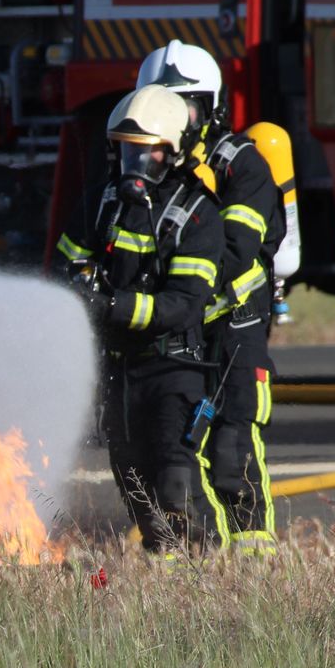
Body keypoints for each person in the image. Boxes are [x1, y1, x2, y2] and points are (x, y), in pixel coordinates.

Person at [55, 84, 229, 558]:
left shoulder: (196, 215)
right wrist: (80, 286)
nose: (135, 164)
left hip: (173, 368)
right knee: (135, 489)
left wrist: (112, 308)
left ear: (171, 152)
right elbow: (68, 262)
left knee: (176, 485)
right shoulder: (102, 203)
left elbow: (185, 304)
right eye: (127, 151)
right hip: (120, 372)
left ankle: (205, 569)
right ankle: (167, 580)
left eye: (146, 152)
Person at [137, 39, 284, 557]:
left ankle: (256, 569)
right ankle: (198, 566)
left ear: (210, 107)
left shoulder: (242, 166)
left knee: (231, 452)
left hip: (235, 329)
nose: (170, 117)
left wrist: (177, 291)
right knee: (174, 452)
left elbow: (238, 247)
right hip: (182, 332)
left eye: (184, 105)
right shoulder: (150, 169)